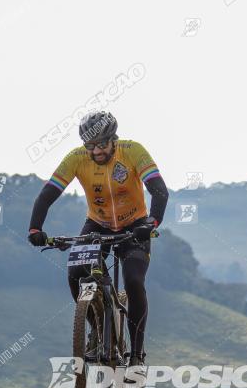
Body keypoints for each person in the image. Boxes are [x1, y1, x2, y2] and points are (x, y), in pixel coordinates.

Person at [27, 111, 169, 368]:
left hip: (135, 224)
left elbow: (160, 191)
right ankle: (95, 330)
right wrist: (35, 229)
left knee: (134, 281)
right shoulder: (76, 158)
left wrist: (151, 223)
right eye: (90, 146)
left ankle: (136, 354)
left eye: (102, 144)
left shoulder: (133, 151)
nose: (96, 151)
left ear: (113, 139)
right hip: (98, 224)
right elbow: (47, 194)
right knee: (75, 272)